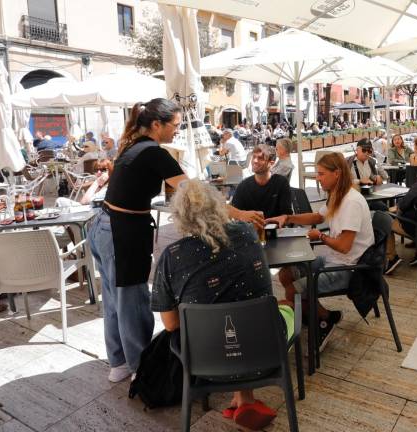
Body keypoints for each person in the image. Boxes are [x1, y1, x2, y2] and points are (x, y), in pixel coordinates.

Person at [151, 179, 291, 429]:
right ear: (219, 206)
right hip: (266, 349)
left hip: (207, 360)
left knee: (215, 322)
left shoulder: (172, 257)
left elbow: (171, 324)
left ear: (180, 216)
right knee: (283, 307)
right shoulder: (248, 234)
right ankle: (244, 398)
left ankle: (242, 399)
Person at [88, 98, 188, 383]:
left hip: (104, 226)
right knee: (132, 300)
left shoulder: (132, 146)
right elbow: (193, 192)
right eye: (175, 126)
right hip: (122, 231)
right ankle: (141, 367)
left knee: (114, 300)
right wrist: (235, 212)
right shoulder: (154, 153)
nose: (176, 131)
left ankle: (119, 363)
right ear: (157, 124)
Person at [266, 153, 374, 350]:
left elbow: (343, 246)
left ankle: (323, 322)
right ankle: (322, 315)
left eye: (322, 174)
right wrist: (287, 217)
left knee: (293, 290)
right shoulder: (338, 195)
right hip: (335, 260)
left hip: (349, 269)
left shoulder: (351, 203)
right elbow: (317, 216)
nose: (318, 178)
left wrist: (320, 237)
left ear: (337, 174)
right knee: (285, 274)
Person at [231, 144, 292, 219]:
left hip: (276, 228)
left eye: (260, 158)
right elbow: (235, 214)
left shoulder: (281, 183)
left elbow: (286, 215)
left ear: (271, 163)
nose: (255, 161)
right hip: (250, 229)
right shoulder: (243, 186)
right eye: (254, 157)